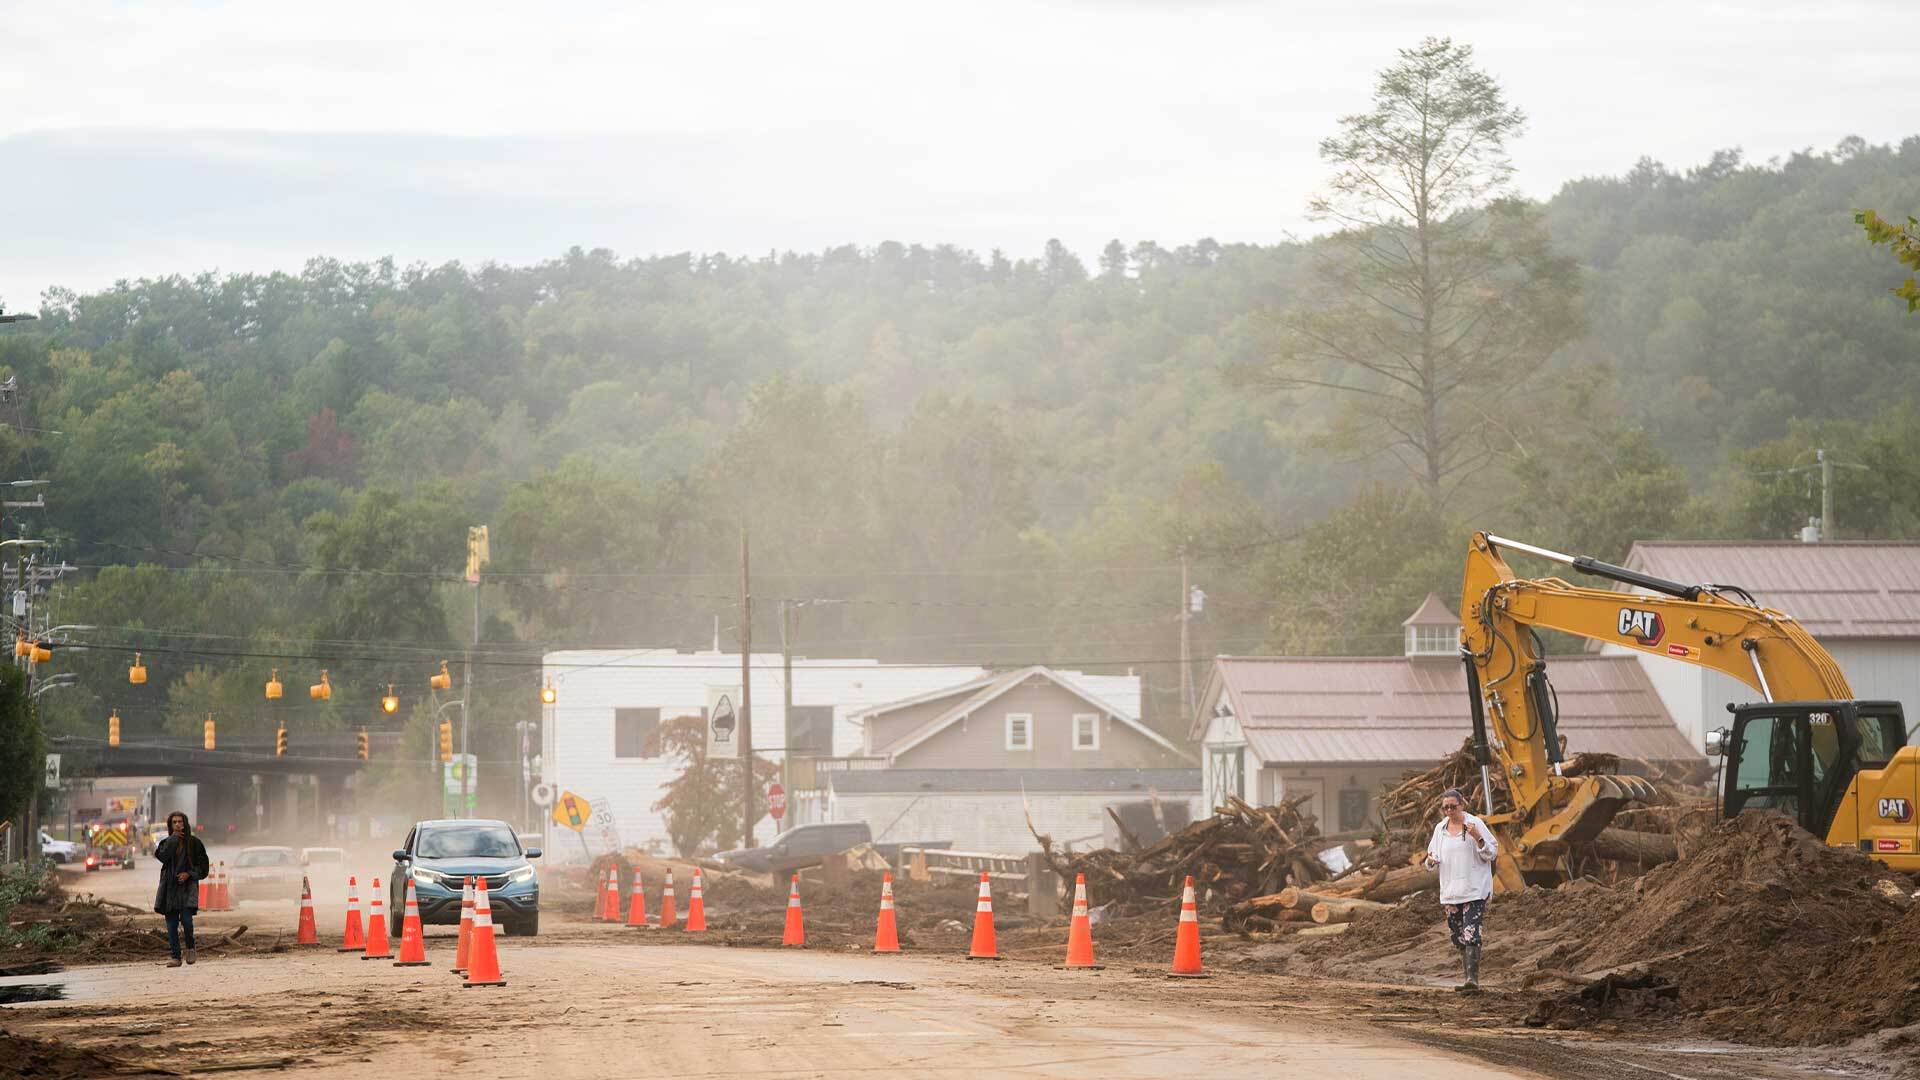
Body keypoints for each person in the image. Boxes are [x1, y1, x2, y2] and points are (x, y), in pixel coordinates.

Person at [1422, 787, 1497, 990]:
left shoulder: (1475, 824)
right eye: (1445, 807)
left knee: (1472, 932)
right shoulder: (1440, 829)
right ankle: (1467, 978)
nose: (1449, 811)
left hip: (1474, 889)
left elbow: (1491, 852)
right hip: (1451, 891)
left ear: (1461, 805)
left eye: (1452, 807)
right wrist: (1430, 861)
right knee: (1458, 935)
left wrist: (1478, 838)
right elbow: (1430, 859)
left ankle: (1472, 979)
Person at [152, 811, 210, 968]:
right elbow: (162, 857)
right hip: (169, 890)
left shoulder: (195, 843)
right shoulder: (166, 843)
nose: (178, 824)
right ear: (170, 826)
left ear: (185, 823)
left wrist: (189, 874)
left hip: (187, 889)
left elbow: (204, 869)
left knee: (186, 920)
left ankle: (190, 948)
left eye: (180, 822)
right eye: (174, 822)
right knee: (171, 925)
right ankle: (175, 957)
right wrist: (174, 839)